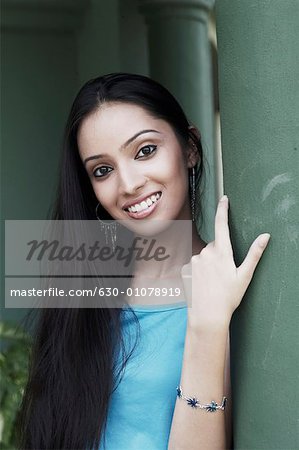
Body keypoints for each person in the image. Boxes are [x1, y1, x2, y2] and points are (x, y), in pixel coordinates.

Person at [17, 73, 270, 450]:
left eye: (145, 150)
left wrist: (206, 325)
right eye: (102, 170)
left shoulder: (225, 290)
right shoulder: (82, 293)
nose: (129, 183)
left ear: (190, 148)